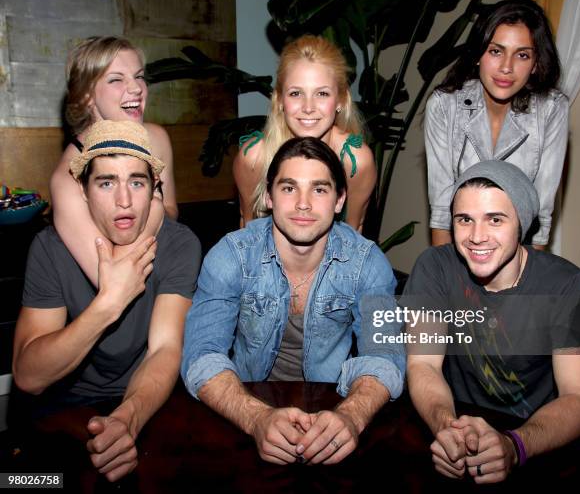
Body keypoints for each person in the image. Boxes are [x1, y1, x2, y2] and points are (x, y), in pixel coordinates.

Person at [183, 136, 404, 465]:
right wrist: (256, 418)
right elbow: (201, 355)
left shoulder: (367, 263)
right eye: (288, 188)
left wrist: (351, 417)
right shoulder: (232, 256)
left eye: (319, 189)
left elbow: (385, 355)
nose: (303, 204)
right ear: (269, 197)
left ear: (340, 199)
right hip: (244, 405)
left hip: (333, 407)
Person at [12, 120, 201, 482]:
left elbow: (165, 349)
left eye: (136, 181)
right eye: (106, 182)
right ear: (82, 192)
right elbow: (28, 375)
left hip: (146, 400)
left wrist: (127, 417)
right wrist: (109, 303)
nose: (124, 200)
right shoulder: (50, 249)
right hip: (63, 409)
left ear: (154, 188)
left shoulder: (180, 245)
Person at [404, 160, 580, 483]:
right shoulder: (434, 268)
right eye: (464, 220)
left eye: (495, 219)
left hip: (537, 441)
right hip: (455, 427)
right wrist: (447, 428)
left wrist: (514, 445)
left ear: (521, 224)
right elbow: (423, 364)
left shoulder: (569, 285)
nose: (477, 236)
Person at [425, 0, 567, 248]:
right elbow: (440, 212)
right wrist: (446, 281)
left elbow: (541, 217)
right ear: (478, 54)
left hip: (517, 254)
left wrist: (526, 284)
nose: (506, 67)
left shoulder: (551, 110)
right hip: (461, 250)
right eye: (495, 51)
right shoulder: (444, 106)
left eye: (522, 55)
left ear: (535, 64)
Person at [51, 36, 178, 286]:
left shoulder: (157, 139)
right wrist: (154, 206)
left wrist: (156, 212)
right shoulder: (68, 176)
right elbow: (113, 281)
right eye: (117, 79)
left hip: (164, 272)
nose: (136, 88)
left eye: (139, 76)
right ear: (87, 95)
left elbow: (172, 209)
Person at [233, 35, 376, 232]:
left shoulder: (355, 162)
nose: (308, 107)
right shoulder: (255, 158)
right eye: (296, 93)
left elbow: (353, 236)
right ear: (280, 100)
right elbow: (247, 233)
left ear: (341, 101)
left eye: (322, 93)